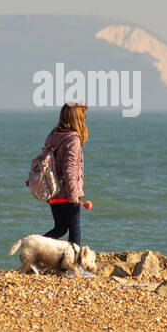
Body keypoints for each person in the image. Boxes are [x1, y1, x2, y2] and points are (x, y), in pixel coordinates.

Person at [42, 103, 92, 246]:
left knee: (60, 228)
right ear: (77, 119)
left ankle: (35, 248)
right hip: (68, 193)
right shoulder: (73, 140)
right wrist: (73, 195)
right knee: (74, 230)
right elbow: (69, 170)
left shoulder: (53, 136)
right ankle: (74, 266)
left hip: (53, 191)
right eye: (83, 117)